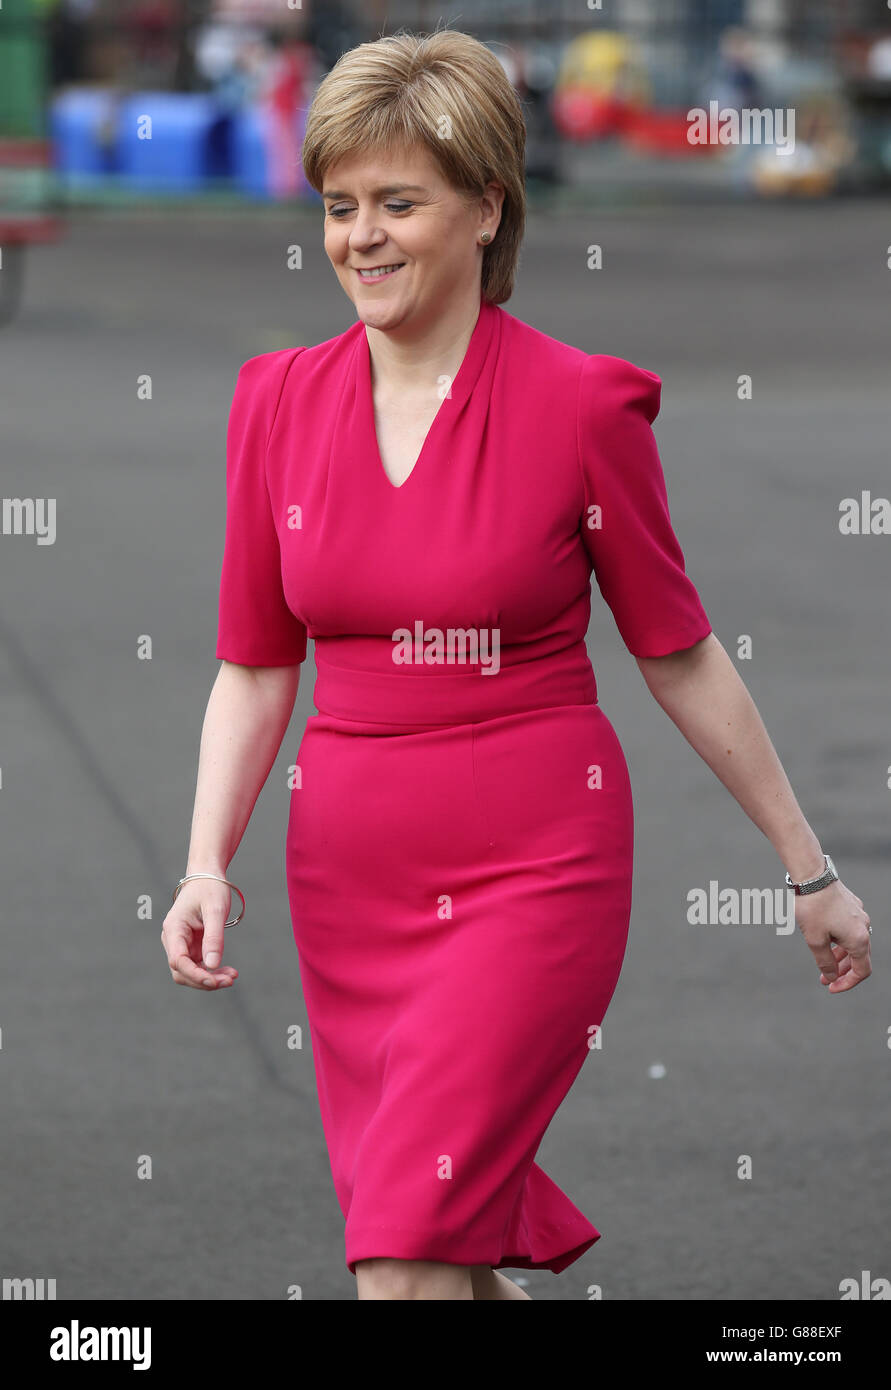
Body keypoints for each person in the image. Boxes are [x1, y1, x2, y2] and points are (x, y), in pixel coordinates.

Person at [161, 28, 872, 1302]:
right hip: (349, 887)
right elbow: (255, 666)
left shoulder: (581, 408)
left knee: (403, 1259)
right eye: (339, 207)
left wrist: (808, 870)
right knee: (443, 1249)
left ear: (487, 207)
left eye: (398, 203)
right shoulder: (272, 400)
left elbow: (682, 654)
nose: (360, 238)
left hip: (533, 872)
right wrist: (206, 861)